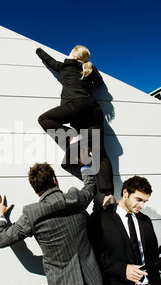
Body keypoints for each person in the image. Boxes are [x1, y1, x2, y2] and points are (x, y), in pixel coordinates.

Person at [0, 161, 108, 285]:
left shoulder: (32, 214)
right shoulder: (75, 198)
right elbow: (90, 187)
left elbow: (0, 240)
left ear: (35, 188)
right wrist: (84, 165)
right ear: (54, 180)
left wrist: (0, 216)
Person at [34, 45, 115, 207]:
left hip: (76, 106)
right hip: (94, 109)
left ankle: (72, 138)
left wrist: (38, 50)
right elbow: (99, 82)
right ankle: (108, 194)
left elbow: (50, 61)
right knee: (100, 153)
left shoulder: (65, 66)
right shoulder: (90, 68)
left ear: (73, 55)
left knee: (44, 119)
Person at [88, 176, 161, 285]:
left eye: (145, 201)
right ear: (125, 193)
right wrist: (123, 270)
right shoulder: (100, 219)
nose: (142, 205)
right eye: (138, 199)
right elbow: (94, 257)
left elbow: (152, 259)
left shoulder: (145, 221)